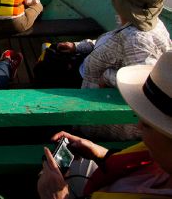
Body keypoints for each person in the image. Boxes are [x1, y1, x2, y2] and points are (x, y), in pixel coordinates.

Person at [37, 50, 172, 198]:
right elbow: (140, 160)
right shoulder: (161, 158)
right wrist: (102, 154)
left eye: (148, 124)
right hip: (104, 180)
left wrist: (58, 196)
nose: (138, 126)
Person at [57, 0, 171, 89]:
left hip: (89, 87)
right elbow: (112, 43)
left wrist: (107, 77)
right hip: (87, 67)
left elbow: (141, 81)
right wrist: (78, 46)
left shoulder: (137, 40)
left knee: (46, 72)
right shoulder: (149, 23)